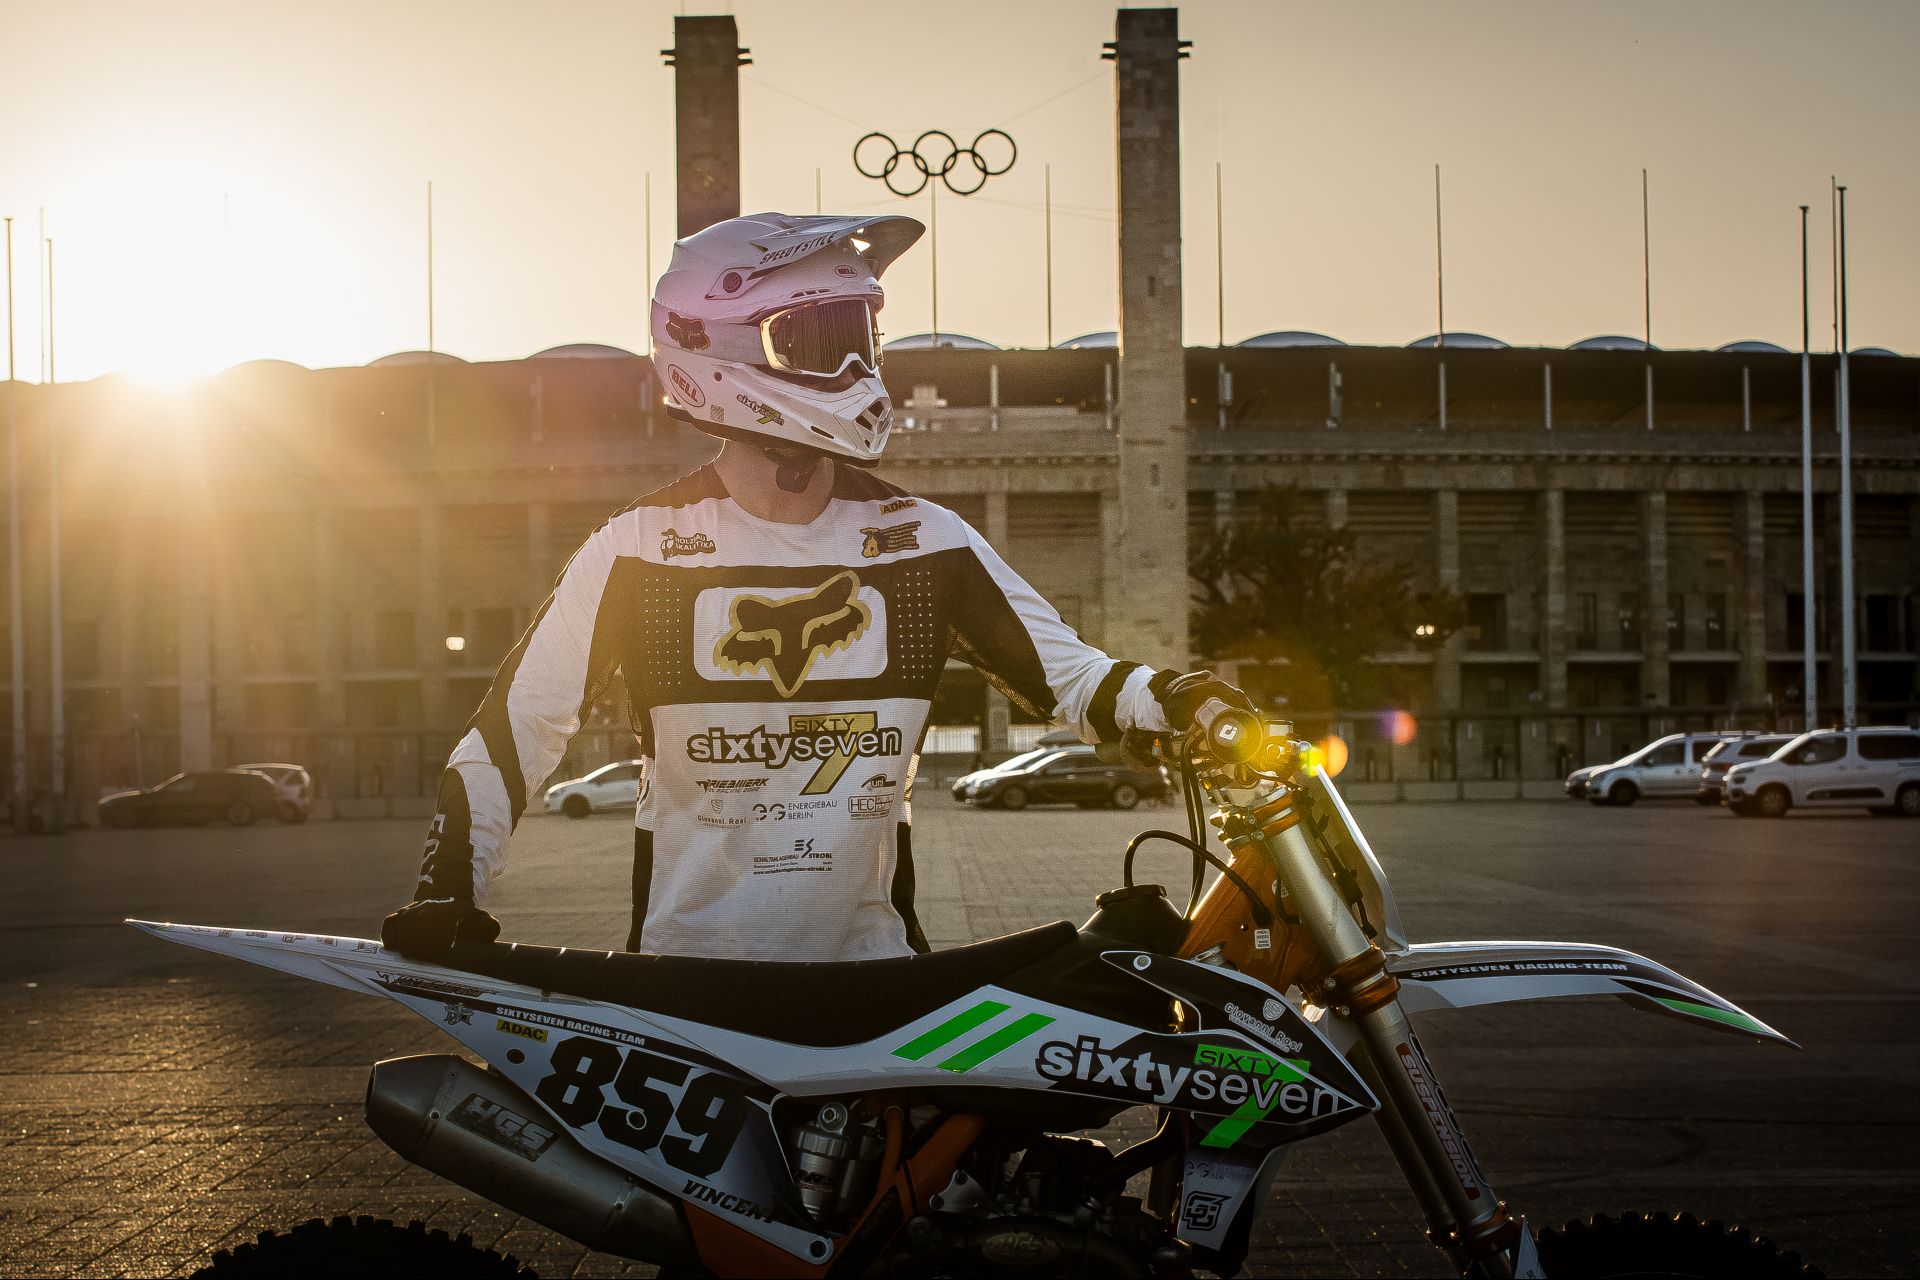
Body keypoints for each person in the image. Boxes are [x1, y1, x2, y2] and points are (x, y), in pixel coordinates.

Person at [382, 212, 1249, 964]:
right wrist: (447, 889)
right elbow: (515, 733)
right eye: (819, 340)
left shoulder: (927, 543)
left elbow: (1079, 680)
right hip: (689, 991)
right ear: (710, 351)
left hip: (879, 979)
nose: (857, 367)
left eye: (863, 337)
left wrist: (1180, 700)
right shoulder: (637, 552)